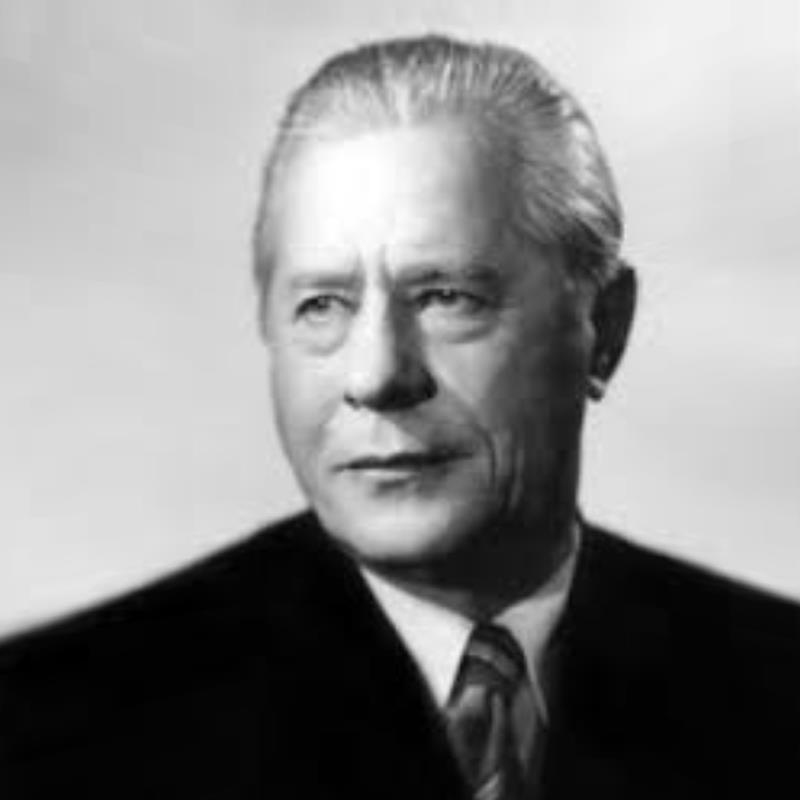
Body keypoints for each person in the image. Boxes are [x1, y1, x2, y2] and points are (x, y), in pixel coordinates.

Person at [1, 34, 798, 800]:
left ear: (604, 328)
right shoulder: (53, 730)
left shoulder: (774, 690)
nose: (377, 375)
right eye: (322, 305)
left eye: (448, 297)